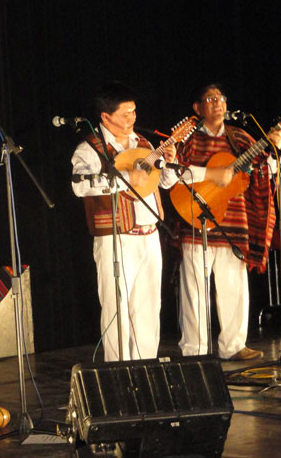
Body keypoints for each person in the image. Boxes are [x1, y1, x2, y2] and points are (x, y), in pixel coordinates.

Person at [173, 83, 281, 360]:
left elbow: (263, 170)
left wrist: (275, 149)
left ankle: (233, 346)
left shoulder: (239, 138)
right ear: (197, 108)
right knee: (194, 290)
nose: (218, 103)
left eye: (221, 98)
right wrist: (211, 175)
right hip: (195, 222)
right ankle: (194, 349)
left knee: (234, 286)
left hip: (234, 222)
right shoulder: (187, 140)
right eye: (210, 99)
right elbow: (172, 176)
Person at [71, 82, 177, 362]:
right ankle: (119, 370)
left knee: (148, 305)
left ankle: (146, 365)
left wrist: (170, 163)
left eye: (134, 112)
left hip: (150, 233)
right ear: (106, 117)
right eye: (125, 113)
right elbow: (79, 186)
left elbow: (163, 183)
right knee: (116, 306)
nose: (133, 118)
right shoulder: (90, 148)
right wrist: (126, 180)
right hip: (115, 237)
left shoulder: (144, 145)